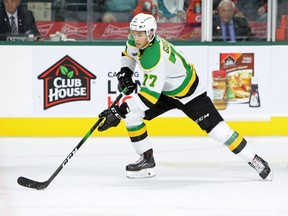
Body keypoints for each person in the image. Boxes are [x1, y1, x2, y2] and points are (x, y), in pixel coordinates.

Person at [97, 13, 273, 181]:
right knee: (132, 116)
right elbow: (128, 54)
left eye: (140, 34)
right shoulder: (138, 40)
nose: (136, 38)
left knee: (219, 132)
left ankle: (255, 159)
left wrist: (118, 111)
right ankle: (147, 161)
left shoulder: (155, 56)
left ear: (151, 33)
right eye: (134, 33)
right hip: (165, 91)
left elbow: (148, 99)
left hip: (190, 94)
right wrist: (126, 72)